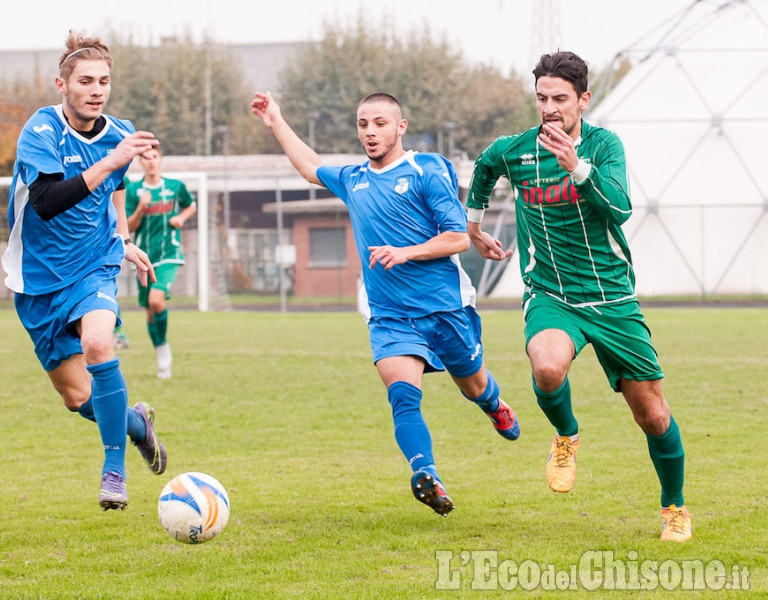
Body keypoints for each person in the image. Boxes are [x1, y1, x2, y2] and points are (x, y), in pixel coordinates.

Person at [250, 90, 520, 516]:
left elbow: (454, 237)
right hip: (389, 313)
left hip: (443, 307)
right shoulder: (354, 178)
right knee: (403, 397)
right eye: (362, 124)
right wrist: (276, 121)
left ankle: (494, 405)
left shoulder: (426, 169)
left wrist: (405, 251)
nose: (370, 132)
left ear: (400, 127)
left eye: (379, 123)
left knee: (473, 384)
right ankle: (425, 474)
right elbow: (309, 167)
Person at [466, 51, 691, 542]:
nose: (549, 107)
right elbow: (483, 169)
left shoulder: (606, 146)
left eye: (560, 99)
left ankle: (673, 506)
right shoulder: (516, 151)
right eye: (542, 98)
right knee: (546, 366)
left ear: (583, 101)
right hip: (550, 294)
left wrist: (576, 166)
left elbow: (621, 207)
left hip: (611, 298)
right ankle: (566, 435)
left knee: (652, 414)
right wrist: (475, 229)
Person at [1, 30, 168, 511]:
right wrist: (113, 161)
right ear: (62, 84)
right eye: (86, 81)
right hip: (37, 281)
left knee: (98, 343)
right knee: (78, 399)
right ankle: (137, 425)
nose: (97, 90)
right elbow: (49, 201)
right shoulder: (41, 130)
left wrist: (125, 239)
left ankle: (113, 471)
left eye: (105, 81)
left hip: (94, 264)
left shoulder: (120, 133)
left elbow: (115, 189)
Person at [125, 147, 196, 379]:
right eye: (145, 159)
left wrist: (181, 218)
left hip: (170, 254)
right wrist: (140, 208)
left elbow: (191, 205)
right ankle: (160, 352)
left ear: (160, 160)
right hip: (144, 256)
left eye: (154, 157)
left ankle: (164, 347)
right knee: (149, 312)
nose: (151, 162)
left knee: (157, 301)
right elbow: (129, 226)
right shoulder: (134, 190)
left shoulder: (175, 187)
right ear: (140, 163)